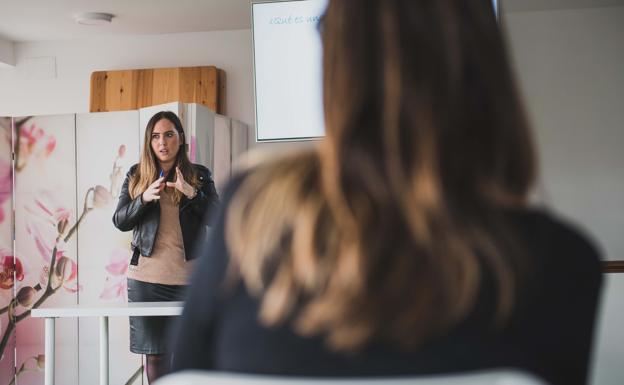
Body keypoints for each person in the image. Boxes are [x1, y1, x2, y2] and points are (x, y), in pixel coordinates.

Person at [169, 1, 602, 384]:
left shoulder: (252, 213)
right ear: (489, 71)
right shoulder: (563, 264)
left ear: (337, 71)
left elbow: (187, 374)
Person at [113, 110, 219, 383]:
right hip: (147, 282)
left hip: (190, 283)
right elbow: (120, 220)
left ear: (181, 138)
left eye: (169, 135)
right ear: (149, 141)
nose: (163, 142)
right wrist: (144, 198)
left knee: (190, 356)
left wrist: (191, 192)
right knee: (155, 358)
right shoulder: (136, 174)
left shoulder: (200, 175)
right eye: (156, 136)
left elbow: (219, 217)